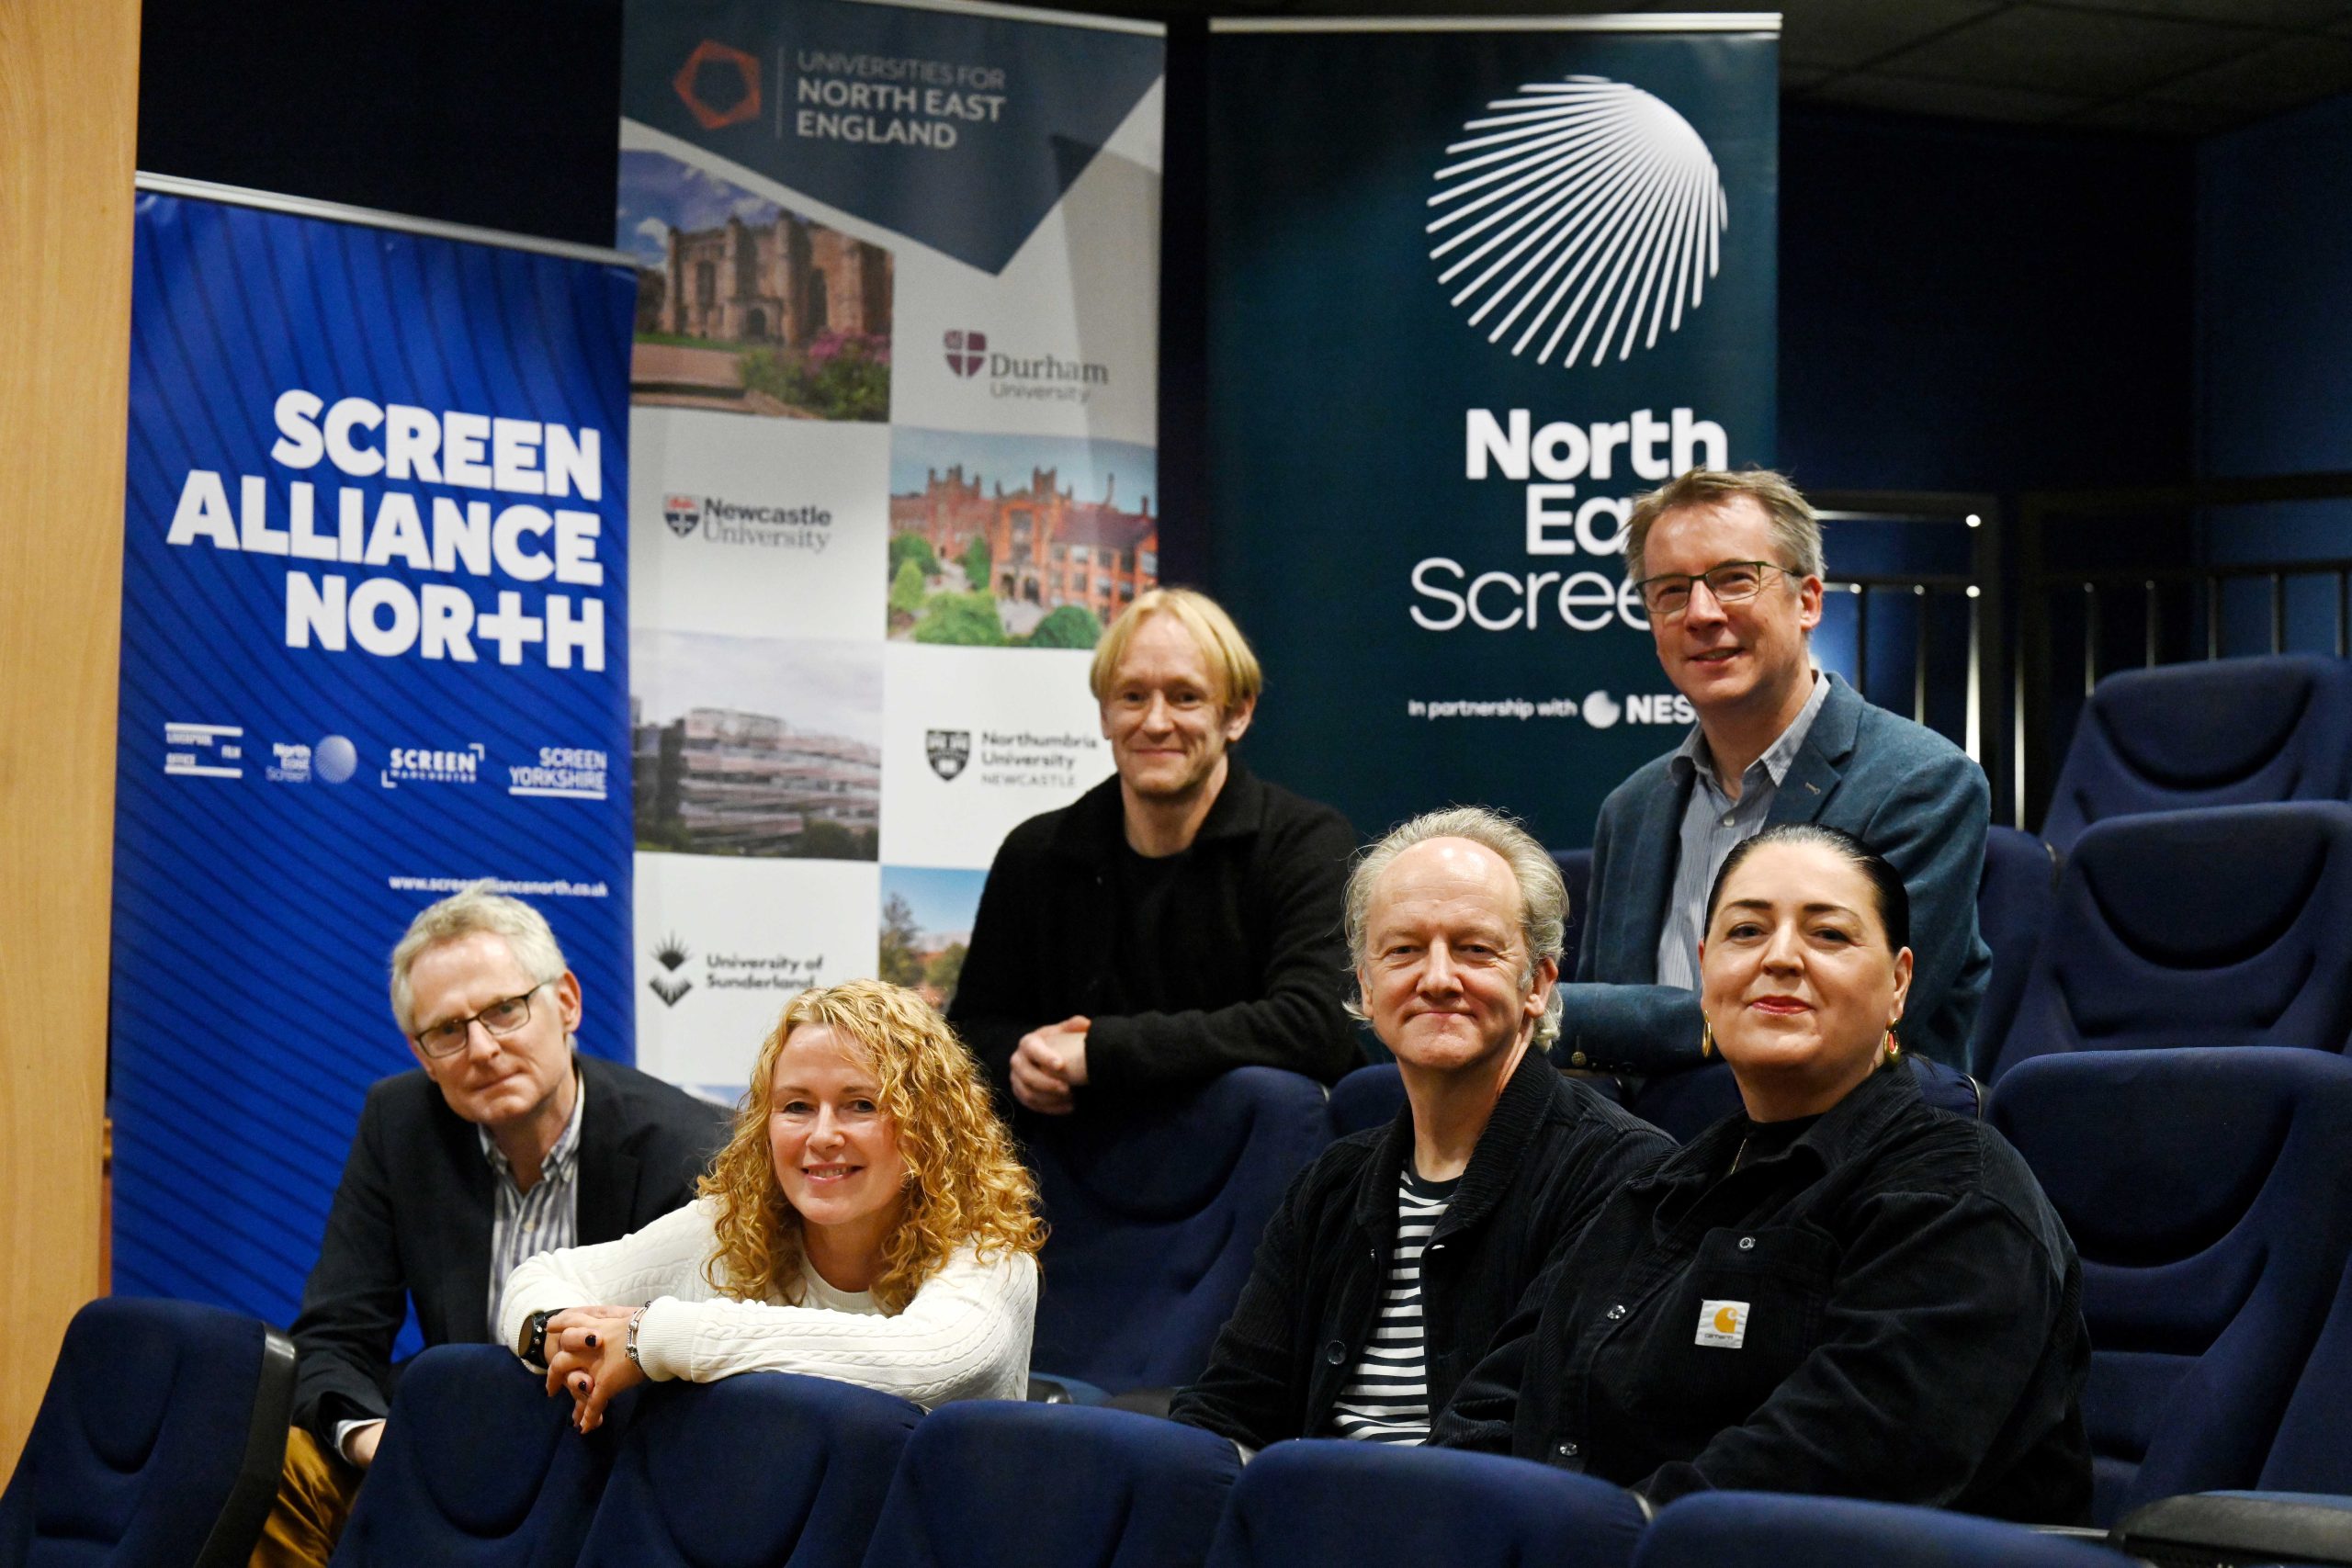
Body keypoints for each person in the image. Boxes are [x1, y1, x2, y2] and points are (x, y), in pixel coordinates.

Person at [1434, 824, 2090, 1523]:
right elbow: (1502, 1398)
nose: (1780, 958)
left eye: (1829, 935)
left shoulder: (1962, 1193)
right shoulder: (1653, 1186)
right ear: (1706, 970)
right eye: (1746, 931)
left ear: (1899, 982)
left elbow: (1842, 1458)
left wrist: (1605, 1534)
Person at [1170, 807, 1670, 1451]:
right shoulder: (1330, 1186)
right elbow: (1229, 1405)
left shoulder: (1620, 1175)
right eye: (1404, 949)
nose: (1437, 978)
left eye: (1475, 948)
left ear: (1538, 983)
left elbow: (1512, 1432)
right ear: (1367, 987)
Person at [257, 884, 727, 1568]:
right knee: (280, 1463)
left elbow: (694, 1381)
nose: (481, 1048)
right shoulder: (401, 1123)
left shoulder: (683, 1146)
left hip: (605, 1464)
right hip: (447, 1449)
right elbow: (334, 1337)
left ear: (564, 1001)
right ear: (422, 1055)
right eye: (447, 1030)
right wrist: (376, 1441)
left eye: (505, 1010)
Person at [1560, 468, 1991, 1074]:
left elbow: (1847, 1023)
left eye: (1735, 580)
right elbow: (1596, 1062)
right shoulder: (1630, 808)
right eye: (1671, 592)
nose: (1701, 613)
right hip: (1643, 1162)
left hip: (1844, 1158)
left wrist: (1547, 1012)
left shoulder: (1924, 785)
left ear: (1809, 600)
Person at [498, 978, 1042, 1426]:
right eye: (797, 1106)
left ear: (929, 1128)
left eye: (860, 1105)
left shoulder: (992, 1252)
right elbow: (539, 1277)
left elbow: (931, 1358)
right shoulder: (730, 1227)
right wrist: (564, 1340)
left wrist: (655, 1338)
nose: (823, 1135)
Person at [949, 587, 1360, 1117]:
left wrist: (1102, 1053)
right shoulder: (1035, 854)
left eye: (1185, 697)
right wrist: (1022, 1061)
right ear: (1104, 715)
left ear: (1236, 714)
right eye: (1133, 697)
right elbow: (971, 1034)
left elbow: (1316, 1026)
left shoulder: (1304, 842)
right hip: (1077, 1166)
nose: (1156, 722)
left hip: (1259, 1166)